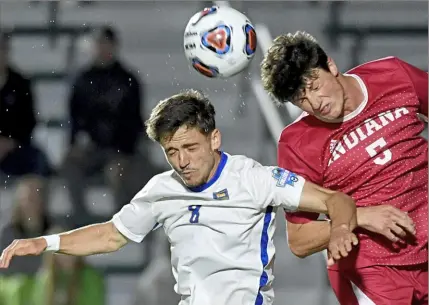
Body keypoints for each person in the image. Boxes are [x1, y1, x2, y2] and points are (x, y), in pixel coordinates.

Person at [1, 89, 359, 305]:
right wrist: (44, 243)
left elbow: (334, 200)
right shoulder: (162, 190)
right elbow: (110, 235)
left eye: (190, 147)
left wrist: (341, 228)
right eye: (172, 151)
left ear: (215, 139)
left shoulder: (254, 178)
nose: (182, 161)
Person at [260, 31, 427, 304]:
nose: (315, 103)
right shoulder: (297, 144)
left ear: (331, 65)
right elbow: (299, 239)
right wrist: (361, 217)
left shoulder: (394, 75)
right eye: (301, 99)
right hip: (373, 271)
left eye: (314, 86)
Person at [61, 26, 145, 227]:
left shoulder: (128, 81)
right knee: (69, 166)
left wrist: (124, 153)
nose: (102, 48)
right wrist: (75, 145)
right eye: (98, 44)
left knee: (118, 174)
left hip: (119, 150)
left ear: (115, 46)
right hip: (91, 149)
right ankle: (81, 220)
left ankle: (123, 226)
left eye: (106, 43)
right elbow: (75, 119)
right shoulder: (82, 80)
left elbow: (134, 123)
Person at [0, 31, 51, 222]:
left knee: (38, 161)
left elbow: (28, 121)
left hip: (14, 148)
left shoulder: (20, 84)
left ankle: (37, 220)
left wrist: (9, 142)